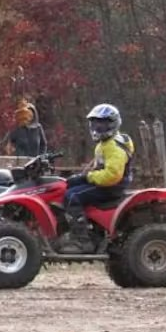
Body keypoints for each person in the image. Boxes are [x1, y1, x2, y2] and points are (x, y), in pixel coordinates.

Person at [59, 103, 135, 253]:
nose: (97, 128)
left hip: (112, 186)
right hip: (106, 182)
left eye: (101, 124)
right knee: (66, 186)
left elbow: (112, 175)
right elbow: (98, 168)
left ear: (112, 124)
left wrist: (88, 177)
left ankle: (81, 240)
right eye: (94, 124)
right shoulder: (105, 144)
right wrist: (81, 177)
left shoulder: (114, 146)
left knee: (72, 195)